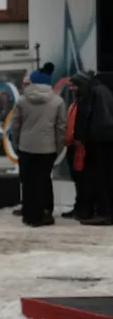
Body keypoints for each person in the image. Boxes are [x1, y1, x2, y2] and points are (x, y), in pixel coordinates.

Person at [9, 68, 67, 227]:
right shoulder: (57, 101)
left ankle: (29, 215)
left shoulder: (22, 100)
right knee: (43, 180)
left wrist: (17, 144)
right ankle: (43, 213)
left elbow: (15, 125)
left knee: (28, 181)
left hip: (26, 146)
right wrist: (58, 147)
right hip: (47, 148)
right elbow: (61, 127)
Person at [72, 70, 113, 226]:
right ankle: (105, 211)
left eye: (75, 84)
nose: (73, 88)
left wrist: (82, 138)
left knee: (99, 177)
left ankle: (104, 212)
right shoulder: (102, 89)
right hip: (105, 139)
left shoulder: (93, 92)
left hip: (98, 140)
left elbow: (87, 116)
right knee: (105, 176)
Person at [62, 81, 90, 221]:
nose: (72, 88)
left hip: (80, 145)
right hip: (72, 145)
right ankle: (79, 206)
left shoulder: (83, 104)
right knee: (77, 178)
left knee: (82, 178)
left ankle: (84, 208)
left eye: (74, 85)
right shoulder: (75, 104)